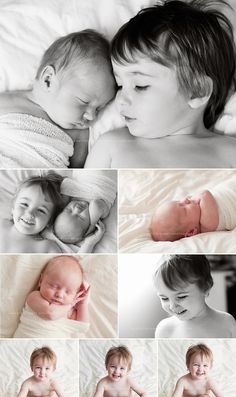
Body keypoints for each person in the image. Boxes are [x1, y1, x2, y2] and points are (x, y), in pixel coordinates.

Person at [85, 0, 236, 169]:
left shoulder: (229, 153)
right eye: (119, 85)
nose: (120, 100)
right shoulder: (112, 145)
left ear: (197, 90)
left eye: (140, 86)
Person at [0, 30, 115, 168]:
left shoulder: (80, 133)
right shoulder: (8, 102)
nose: (91, 116)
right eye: (84, 101)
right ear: (48, 80)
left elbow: (75, 172)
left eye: (99, 108)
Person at [154, 255, 236, 338]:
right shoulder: (164, 329)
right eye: (164, 298)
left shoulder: (227, 322)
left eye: (181, 297)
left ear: (206, 287)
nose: (172, 306)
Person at [13, 255, 90, 340]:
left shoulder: (69, 311)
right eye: (54, 286)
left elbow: (83, 327)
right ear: (41, 281)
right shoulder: (35, 297)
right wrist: (71, 304)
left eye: (68, 292)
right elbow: (50, 313)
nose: (59, 295)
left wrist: (82, 304)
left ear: (75, 294)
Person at [149, 184, 236, 241]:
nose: (185, 200)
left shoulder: (198, 208)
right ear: (191, 232)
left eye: (179, 202)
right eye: (184, 209)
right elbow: (204, 193)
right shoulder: (207, 224)